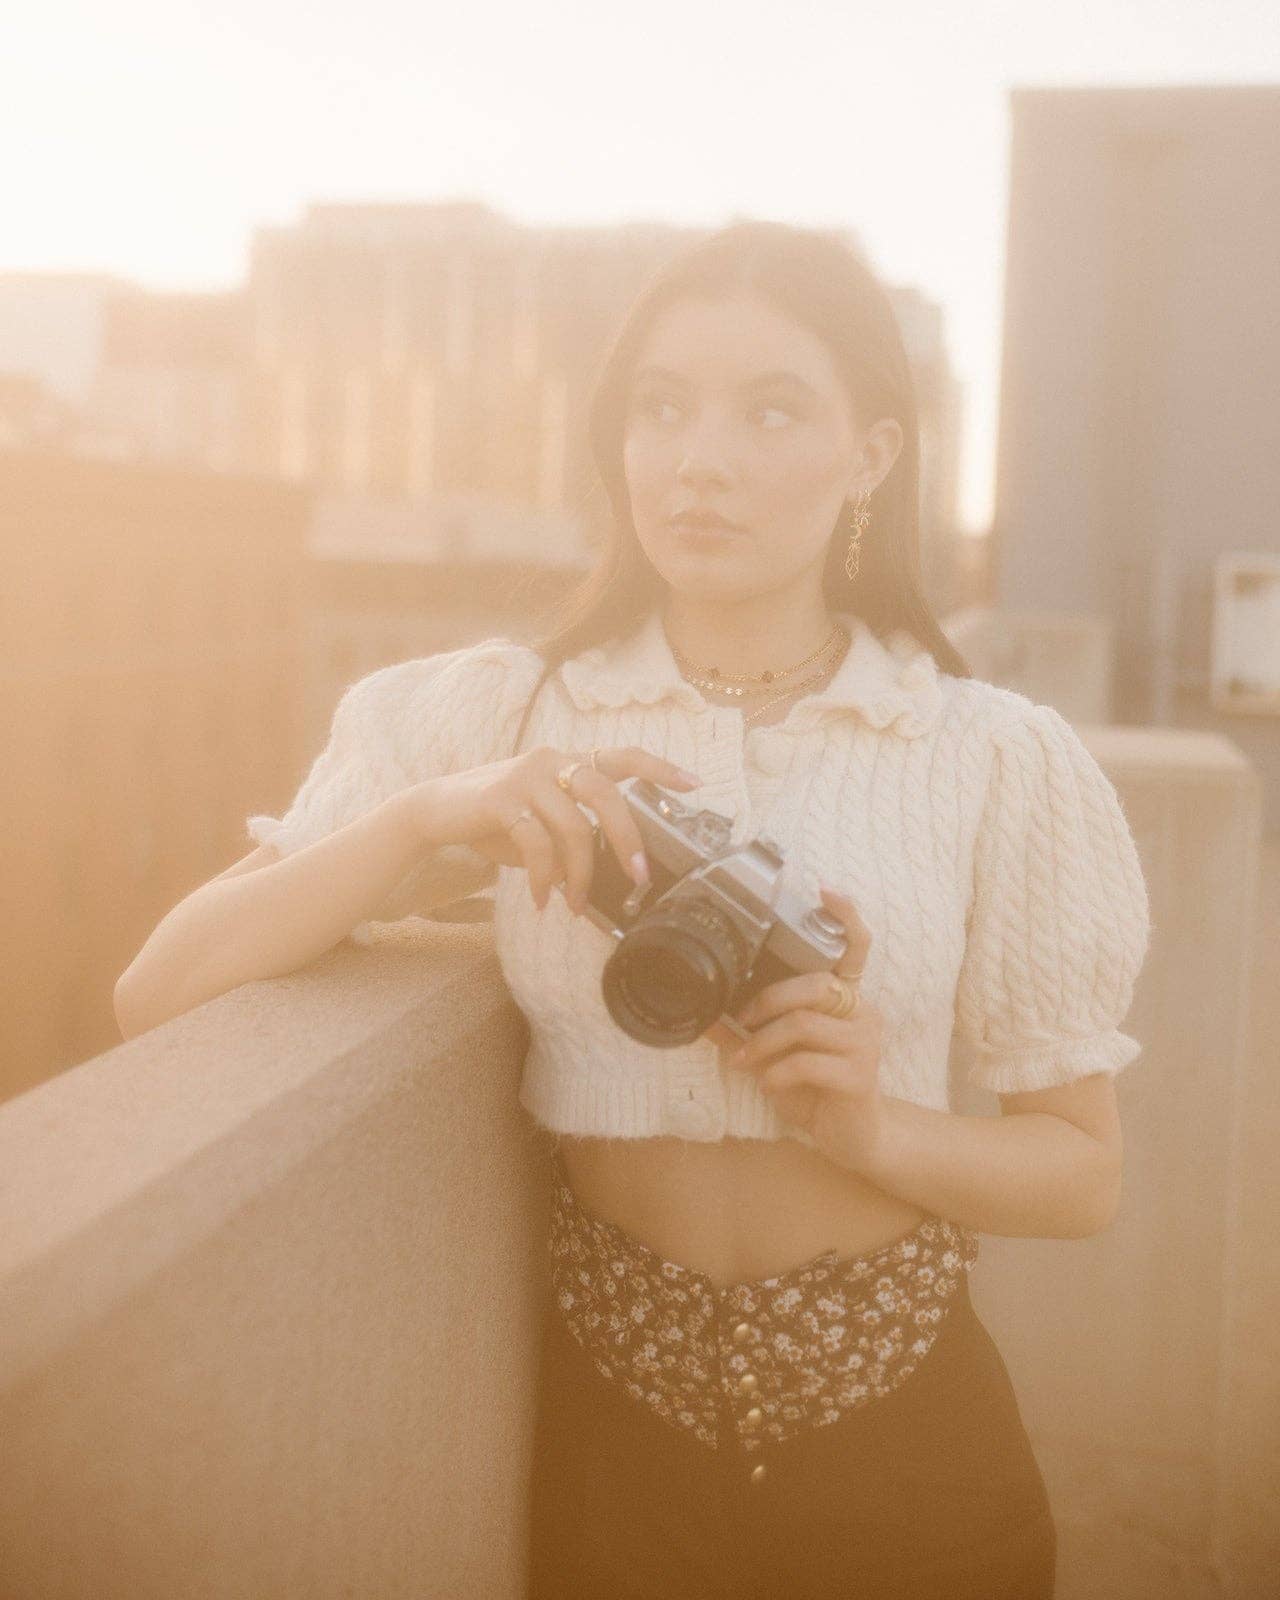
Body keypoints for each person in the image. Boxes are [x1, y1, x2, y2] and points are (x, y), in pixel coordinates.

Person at [114, 221, 1152, 1600]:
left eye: (769, 410)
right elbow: (159, 992)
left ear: (872, 455)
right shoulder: (495, 714)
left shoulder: (989, 754)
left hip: (911, 1444)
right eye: (660, 407)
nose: (697, 459)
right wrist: (429, 817)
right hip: (610, 1447)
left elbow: (1082, 1174)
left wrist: (871, 1126)